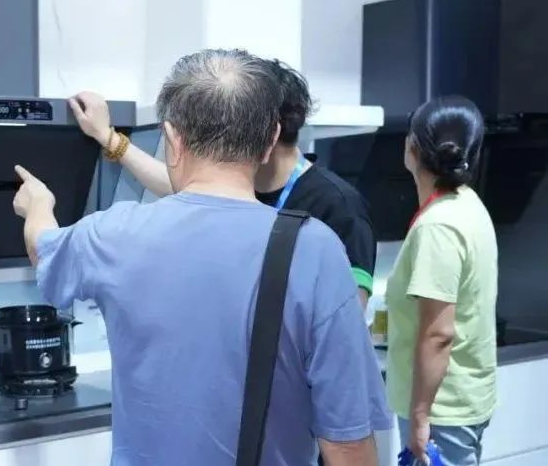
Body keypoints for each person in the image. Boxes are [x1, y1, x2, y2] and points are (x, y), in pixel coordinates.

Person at [13, 48, 392, 466]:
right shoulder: (314, 250)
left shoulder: (115, 235)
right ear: (269, 140)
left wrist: (38, 206)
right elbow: (347, 441)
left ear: (172, 137)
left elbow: (44, 250)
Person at [70, 59, 376, 308]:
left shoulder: (338, 206)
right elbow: (173, 182)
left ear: (265, 132)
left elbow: (349, 317)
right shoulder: (240, 188)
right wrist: (106, 136)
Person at [385, 95, 497, 466]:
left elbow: (438, 333)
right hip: (460, 397)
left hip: (441, 409)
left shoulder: (439, 226)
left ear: (412, 148)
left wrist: (419, 418)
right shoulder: (466, 205)